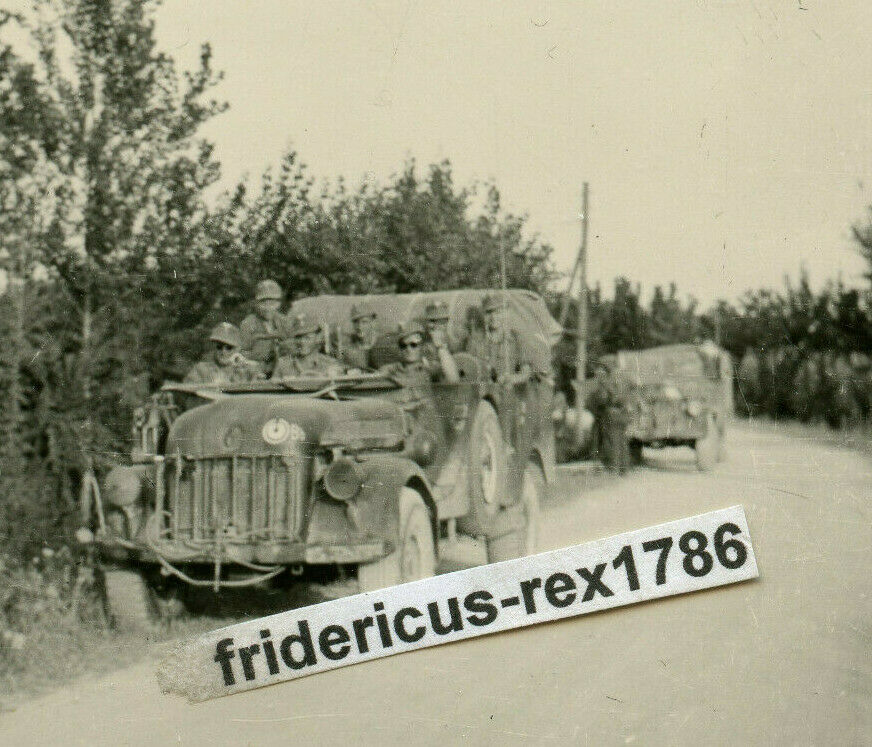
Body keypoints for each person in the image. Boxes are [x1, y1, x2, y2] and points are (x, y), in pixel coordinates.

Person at [465, 293, 532, 386]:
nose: (493, 317)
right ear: (483, 315)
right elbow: (467, 370)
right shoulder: (474, 340)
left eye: (498, 312)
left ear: (505, 314)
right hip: (481, 390)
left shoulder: (516, 338)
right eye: (489, 313)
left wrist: (513, 379)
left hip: (507, 390)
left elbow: (526, 372)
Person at [239, 279, 295, 376]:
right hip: (256, 370)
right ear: (256, 304)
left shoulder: (284, 321)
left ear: (278, 304)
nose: (268, 308)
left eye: (272, 303)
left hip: (282, 370)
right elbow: (242, 353)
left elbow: (293, 346)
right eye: (263, 303)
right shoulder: (248, 324)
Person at [586, 357, 631, 474]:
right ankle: (623, 469)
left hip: (611, 414)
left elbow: (603, 398)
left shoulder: (607, 381)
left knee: (612, 442)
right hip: (622, 414)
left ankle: (614, 468)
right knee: (621, 441)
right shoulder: (622, 377)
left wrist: (594, 399)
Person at [272, 313, 346, 378]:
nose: (302, 342)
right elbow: (273, 388)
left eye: (307, 338)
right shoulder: (283, 365)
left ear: (318, 338)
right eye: (298, 337)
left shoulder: (330, 364)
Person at [184, 323, 262, 385]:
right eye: (219, 347)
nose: (223, 351)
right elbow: (188, 392)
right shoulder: (201, 370)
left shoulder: (249, 369)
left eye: (229, 348)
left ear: (237, 349)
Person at [343, 302, 379, 370]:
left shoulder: (381, 344)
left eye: (364, 322)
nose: (359, 327)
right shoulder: (348, 347)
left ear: (372, 323)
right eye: (356, 322)